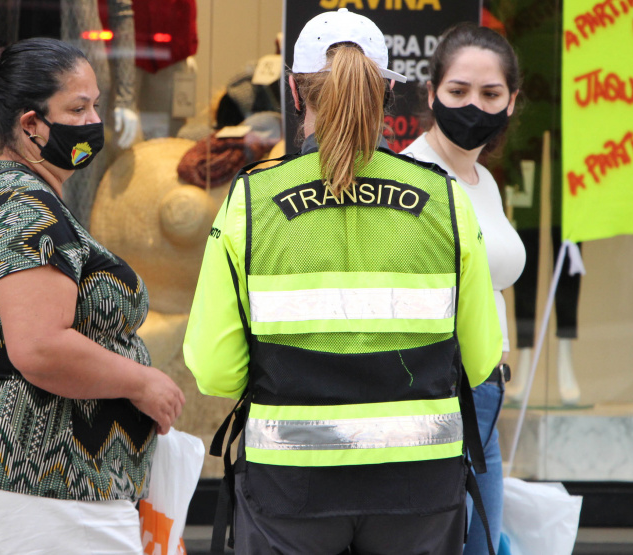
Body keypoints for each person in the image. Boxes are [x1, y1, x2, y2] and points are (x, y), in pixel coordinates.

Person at [183, 9, 503, 555]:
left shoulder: (252, 202)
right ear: (387, 92)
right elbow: (478, 362)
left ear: (294, 90)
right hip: (419, 491)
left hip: (290, 490)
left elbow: (214, 373)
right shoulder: (445, 200)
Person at [0, 37, 185, 554]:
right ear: (31, 124)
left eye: (95, 104)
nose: (92, 120)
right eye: (77, 108)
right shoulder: (25, 209)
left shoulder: (6, 191)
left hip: (39, 480)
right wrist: (142, 382)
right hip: (46, 483)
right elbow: (40, 347)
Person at [401, 22, 526, 554]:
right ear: (431, 94)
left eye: (490, 93)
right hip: (438, 395)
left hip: (485, 397)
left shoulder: (484, 181)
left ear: (511, 101)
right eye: (458, 91)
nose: (473, 104)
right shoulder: (410, 179)